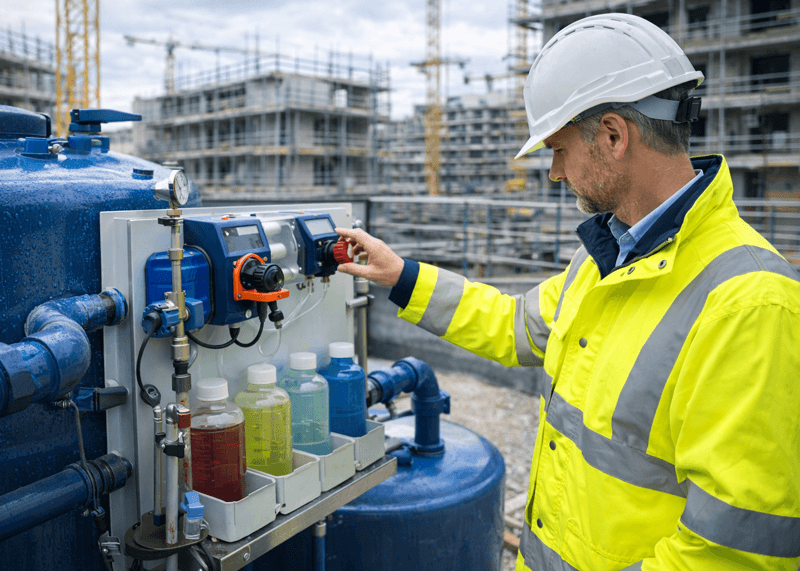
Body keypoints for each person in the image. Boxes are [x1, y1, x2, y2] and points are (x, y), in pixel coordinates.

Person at [337, 13, 800, 571]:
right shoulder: (607, 256)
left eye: (558, 148)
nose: (555, 172)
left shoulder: (749, 304)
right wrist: (401, 275)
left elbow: (732, 553)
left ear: (612, 135)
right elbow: (514, 325)